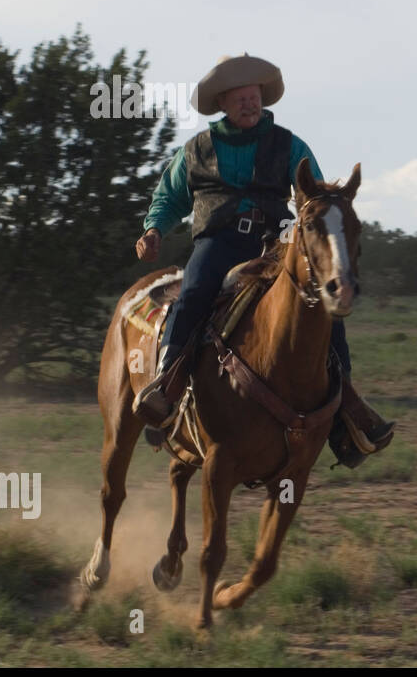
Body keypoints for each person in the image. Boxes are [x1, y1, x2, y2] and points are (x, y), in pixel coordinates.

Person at [131, 53, 392, 466]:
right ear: (223, 103)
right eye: (240, 98)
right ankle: (167, 385)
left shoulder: (290, 145)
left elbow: (314, 198)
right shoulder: (197, 149)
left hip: (277, 242)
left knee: (325, 311)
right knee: (195, 293)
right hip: (218, 242)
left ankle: (346, 414)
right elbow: (170, 196)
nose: (250, 104)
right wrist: (153, 229)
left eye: (254, 96)